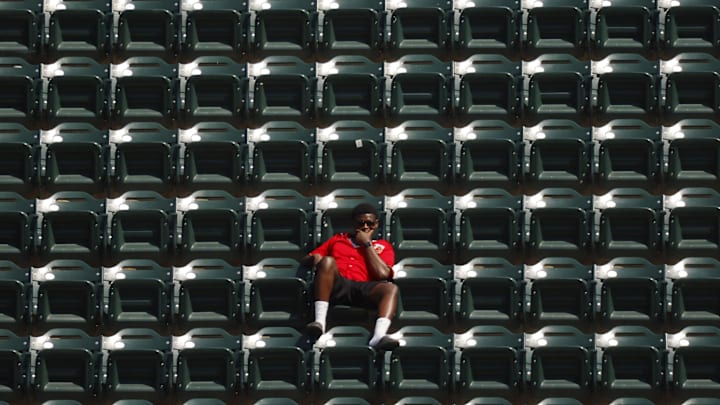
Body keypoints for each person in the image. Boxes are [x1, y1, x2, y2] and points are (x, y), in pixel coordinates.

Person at [301, 202, 400, 350]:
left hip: (365, 288)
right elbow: (308, 258)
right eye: (361, 223)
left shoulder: (382, 246)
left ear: (377, 224)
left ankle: (378, 336)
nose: (365, 227)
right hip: (338, 285)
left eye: (370, 223)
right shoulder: (338, 239)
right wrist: (313, 259)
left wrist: (367, 244)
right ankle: (319, 322)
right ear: (353, 223)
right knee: (327, 261)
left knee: (390, 289)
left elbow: (383, 274)